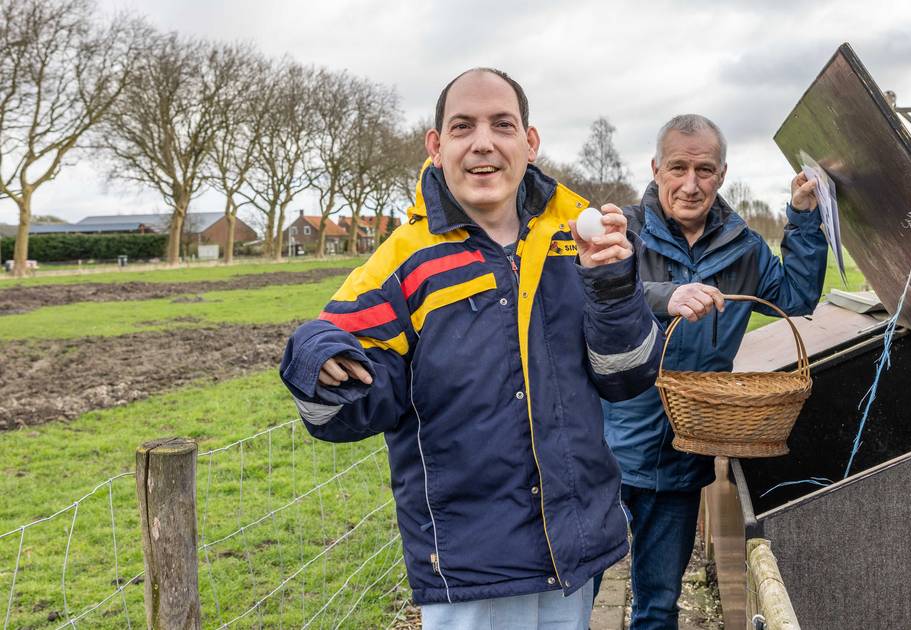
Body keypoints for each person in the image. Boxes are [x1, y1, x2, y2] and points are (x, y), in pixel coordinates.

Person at [279, 68, 664, 630]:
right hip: (469, 567)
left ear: (529, 144)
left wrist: (612, 286)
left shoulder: (574, 243)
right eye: (463, 126)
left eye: (502, 125)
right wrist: (315, 357)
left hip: (574, 551)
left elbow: (624, 375)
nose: (483, 142)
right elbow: (354, 407)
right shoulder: (402, 263)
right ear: (437, 147)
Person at [602, 114, 827, 629]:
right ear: (656, 168)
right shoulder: (623, 232)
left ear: (722, 173)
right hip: (609, 449)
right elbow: (585, 297)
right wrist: (665, 297)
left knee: (657, 605)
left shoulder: (744, 247)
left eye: (704, 169)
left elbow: (795, 297)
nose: (690, 183)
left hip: (686, 454)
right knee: (576, 592)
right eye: (678, 167)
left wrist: (802, 217)